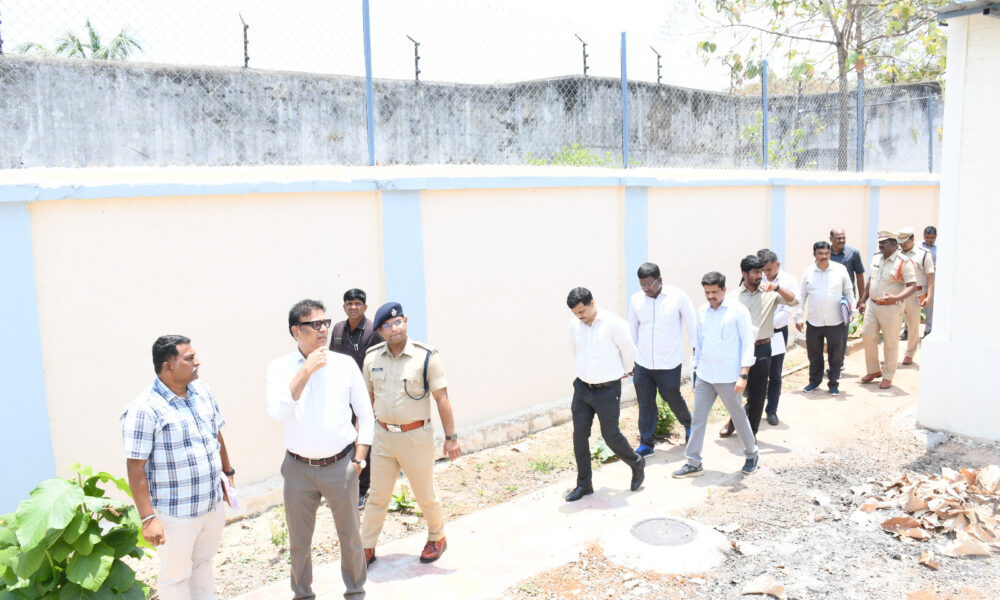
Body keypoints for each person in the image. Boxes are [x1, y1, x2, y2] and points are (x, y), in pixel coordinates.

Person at [266, 299, 372, 600]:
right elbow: (276, 412)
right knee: (299, 542)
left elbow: (365, 415)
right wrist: (305, 371)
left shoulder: (344, 365)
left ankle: (355, 591)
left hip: (341, 465)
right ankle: (302, 594)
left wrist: (359, 460)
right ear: (296, 331)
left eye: (325, 322)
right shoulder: (279, 368)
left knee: (350, 537)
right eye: (315, 324)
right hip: (297, 469)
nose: (324, 329)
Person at [121, 335, 234, 600]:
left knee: (203, 566)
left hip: (211, 504)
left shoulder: (202, 392)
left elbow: (216, 434)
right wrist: (148, 518)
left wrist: (228, 474)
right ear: (168, 366)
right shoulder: (144, 409)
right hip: (176, 513)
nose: (198, 362)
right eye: (189, 358)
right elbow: (135, 467)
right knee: (176, 577)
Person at [361, 302, 461, 564]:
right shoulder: (372, 358)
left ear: (405, 321)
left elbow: (442, 398)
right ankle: (366, 547)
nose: (394, 328)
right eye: (387, 325)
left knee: (424, 493)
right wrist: (361, 442)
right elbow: (366, 402)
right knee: (377, 495)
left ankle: (437, 537)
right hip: (383, 436)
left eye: (398, 322)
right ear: (380, 331)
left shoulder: (426, 356)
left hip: (415, 437)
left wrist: (451, 439)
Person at [673, 272, 759, 479]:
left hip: (729, 377)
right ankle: (693, 462)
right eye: (707, 292)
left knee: (738, 416)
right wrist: (695, 369)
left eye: (715, 292)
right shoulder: (702, 311)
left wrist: (743, 375)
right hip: (705, 375)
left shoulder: (738, 311)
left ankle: (752, 454)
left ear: (724, 290)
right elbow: (699, 343)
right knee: (698, 418)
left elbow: (748, 343)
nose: (711, 296)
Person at [564, 287, 645, 502]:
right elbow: (575, 351)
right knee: (579, 436)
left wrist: (621, 373)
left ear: (591, 303)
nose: (579, 316)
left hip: (607, 390)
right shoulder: (574, 325)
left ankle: (637, 463)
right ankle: (584, 484)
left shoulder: (614, 323)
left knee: (611, 436)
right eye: (575, 313)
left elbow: (630, 352)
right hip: (582, 389)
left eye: (582, 311)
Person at [719, 255, 797, 437]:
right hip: (738, 350)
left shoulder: (769, 293)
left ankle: (751, 433)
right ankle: (733, 421)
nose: (760, 276)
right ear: (744, 273)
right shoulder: (732, 298)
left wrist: (777, 287)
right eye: (755, 272)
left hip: (762, 348)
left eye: (761, 272)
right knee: (734, 391)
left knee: (758, 393)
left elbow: (794, 301)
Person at [627, 262, 695, 454]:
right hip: (643, 362)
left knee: (672, 397)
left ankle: (689, 424)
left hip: (669, 362)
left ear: (660, 280)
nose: (647, 289)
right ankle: (646, 443)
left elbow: (692, 324)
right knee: (645, 403)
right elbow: (632, 331)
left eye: (650, 284)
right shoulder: (636, 300)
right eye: (642, 285)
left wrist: (696, 352)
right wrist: (629, 360)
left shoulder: (678, 296)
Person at [330, 288, 383, 509]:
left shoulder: (373, 332)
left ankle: (361, 490)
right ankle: (342, 485)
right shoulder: (337, 329)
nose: (353, 307)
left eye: (357, 303)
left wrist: (373, 398)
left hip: (364, 395)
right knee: (343, 439)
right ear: (344, 306)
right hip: (341, 395)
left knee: (362, 439)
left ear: (365, 307)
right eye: (349, 303)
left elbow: (380, 365)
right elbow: (331, 360)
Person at [858, 231, 917, 390]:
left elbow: (912, 286)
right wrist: (862, 300)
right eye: (880, 242)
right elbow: (870, 280)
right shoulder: (876, 257)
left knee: (890, 342)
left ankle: (888, 376)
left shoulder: (903, 262)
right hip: (873, 305)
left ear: (894, 244)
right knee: (867, 336)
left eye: (884, 242)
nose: (881, 245)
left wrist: (896, 298)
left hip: (891, 307)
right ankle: (874, 370)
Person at [796, 241, 855, 395]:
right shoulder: (808, 272)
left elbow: (849, 291)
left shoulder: (840, 270)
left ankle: (833, 383)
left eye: (826, 253)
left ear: (830, 254)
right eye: (820, 253)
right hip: (814, 321)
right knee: (814, 355)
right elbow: (801, 296)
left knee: (835, 355)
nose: (824, 256)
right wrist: (798, 317)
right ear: (814, 254)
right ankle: (814, 382)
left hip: (836, 321)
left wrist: (853, 312)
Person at [759, 249, 799, 425]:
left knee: (775, 372)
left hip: (776, 333)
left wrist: (766, 326)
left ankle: (772, 410)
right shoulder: (757, 278)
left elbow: (787, 311)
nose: (766, 274)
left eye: (769, 269)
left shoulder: (788, 281)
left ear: (778, 264)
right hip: (757, 334)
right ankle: (753, 408)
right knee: (757, 372)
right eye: (763, 270)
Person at [897, 227, 935, 365]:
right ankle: (891, 354)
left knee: (913, 325)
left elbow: (930, 277)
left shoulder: (923, 254)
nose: (903, 244)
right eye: (900, 242)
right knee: (893, 325)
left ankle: (910, 353)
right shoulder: (896, 253)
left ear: (912, 239)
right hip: (898, 293)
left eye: (905, 242)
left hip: (915, 294)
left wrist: (929, 296)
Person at [829, 228, 866, 311]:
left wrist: (861, 300)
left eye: (843, 238)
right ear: (831, 239)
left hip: (847, 297)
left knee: (847, 318)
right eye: (838, 238)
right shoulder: (825, 254)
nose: (842, 240)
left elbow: (859, 276)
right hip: (829, 296)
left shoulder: (853, 253)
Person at [921, 226, 937, 337]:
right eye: (927, 237)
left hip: (932, 280)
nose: (929, 240)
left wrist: (934, 267)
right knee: (913, 304)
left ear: (936, 237)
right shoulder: (918, 247)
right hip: (919, 279)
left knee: (929, 306)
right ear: (923, 236)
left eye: (932, 238)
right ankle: (907, 330)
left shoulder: (939, 248)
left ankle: (928, 329)